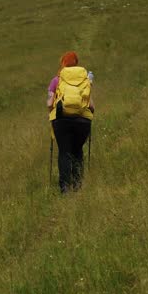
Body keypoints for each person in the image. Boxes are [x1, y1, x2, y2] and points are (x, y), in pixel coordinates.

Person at [47, 51, 95, 193]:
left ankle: (64, 188)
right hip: (82, 121)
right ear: (76, 63)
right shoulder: (84, 81)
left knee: (64, 152)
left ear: (63, 63)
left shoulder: (56, 80)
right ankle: (78, 185)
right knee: (77, 151)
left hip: (61, 120)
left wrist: (52, 113)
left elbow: (50, 103)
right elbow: (91, 106)